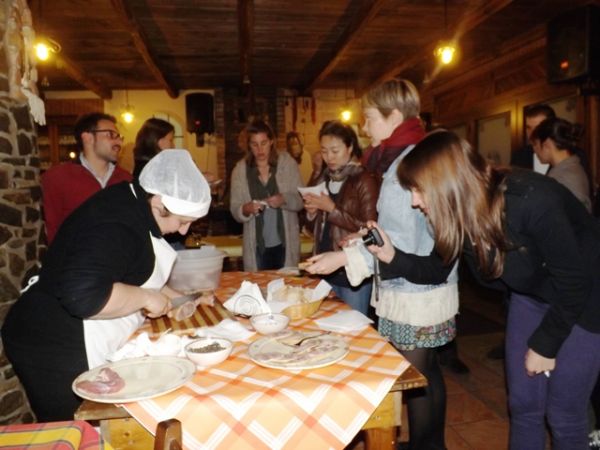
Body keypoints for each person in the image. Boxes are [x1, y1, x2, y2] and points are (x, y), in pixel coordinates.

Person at [375, 130, 600, 449]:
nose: (415, 202)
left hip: (586, 297)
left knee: (564, 413)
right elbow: (436, 270)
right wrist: (391, 256)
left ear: (447, 184)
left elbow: (575, 281)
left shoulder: (531, 199)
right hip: (532, 296)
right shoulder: (457, 215)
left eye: (418, 190)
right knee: (524, 406)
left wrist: (546, 344)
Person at [2, 150, 212, 421]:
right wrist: (146, 298)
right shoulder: (115, 223)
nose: (183, 231)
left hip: (67, 333)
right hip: (51, 341)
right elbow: (84, 297)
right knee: (79, 428)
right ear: (159, 202)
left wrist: (174, 296)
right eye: (182, 222)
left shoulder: (137, 204)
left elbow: (127, 269)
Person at [305, 79, 459, 450]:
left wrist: (343, 256)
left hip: (415, 292)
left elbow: (400, 242)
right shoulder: (405, 157)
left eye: (370, 117)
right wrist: (362, 238)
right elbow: (397, 231)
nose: (364, 126)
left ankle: (424, 446)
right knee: (428, 371)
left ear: (394, 116)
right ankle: (430, 445)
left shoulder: (406, 165)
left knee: (417, 378)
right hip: (424, 287)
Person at [302, 121, 379, 315]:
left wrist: (332, 209)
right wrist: (312, 213)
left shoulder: (364, 179)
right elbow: (312, 229)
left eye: (335, 151)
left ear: (350, 147)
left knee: (353, 326)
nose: (329, 157)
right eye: (324, 151)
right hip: (324, 266)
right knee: (326, 326)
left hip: (352, 270)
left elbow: (371, 229)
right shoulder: (323, 178)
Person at [41, 112, 132, 243]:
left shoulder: (126, 179)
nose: (119, 142)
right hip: (74, 255)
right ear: (88, 138)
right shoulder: (57, 178)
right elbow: (52, 231)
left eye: (119, 137)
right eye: (111, 135)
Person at [230, 120, 304, 271]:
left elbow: (301, 200)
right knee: (259, 284)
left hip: (285, 244)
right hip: (256, 246)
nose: (260, 150)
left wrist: (284, 199)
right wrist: (246, 209)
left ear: (271, 141)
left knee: (286, 284)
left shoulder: (287, 164)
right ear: (249, 145)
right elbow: (235, 209)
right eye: (254, 144)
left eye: (263, 143)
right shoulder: (240, 170)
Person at [530, 117, 591, 212]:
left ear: (547, 144)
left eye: (535, 144)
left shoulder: (564, 176)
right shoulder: (570, 168)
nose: (534, 150)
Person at [510, 104, 556, 173]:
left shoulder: (565, 155)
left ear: (552, 127)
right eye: (528, 128)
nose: (532, 134)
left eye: (538, 128)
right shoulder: (519, 156)